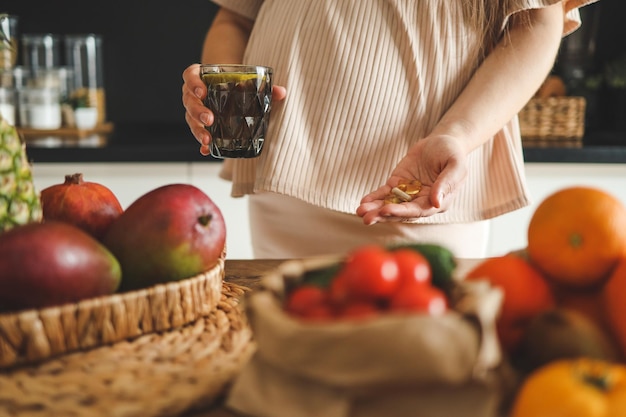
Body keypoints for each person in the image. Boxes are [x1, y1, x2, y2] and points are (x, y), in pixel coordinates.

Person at [182, 0, 598, 259]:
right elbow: (234, 19)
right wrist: (220, 91)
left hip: (414, 193)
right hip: (281, 181)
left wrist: (456, 134)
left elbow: (539, 22)